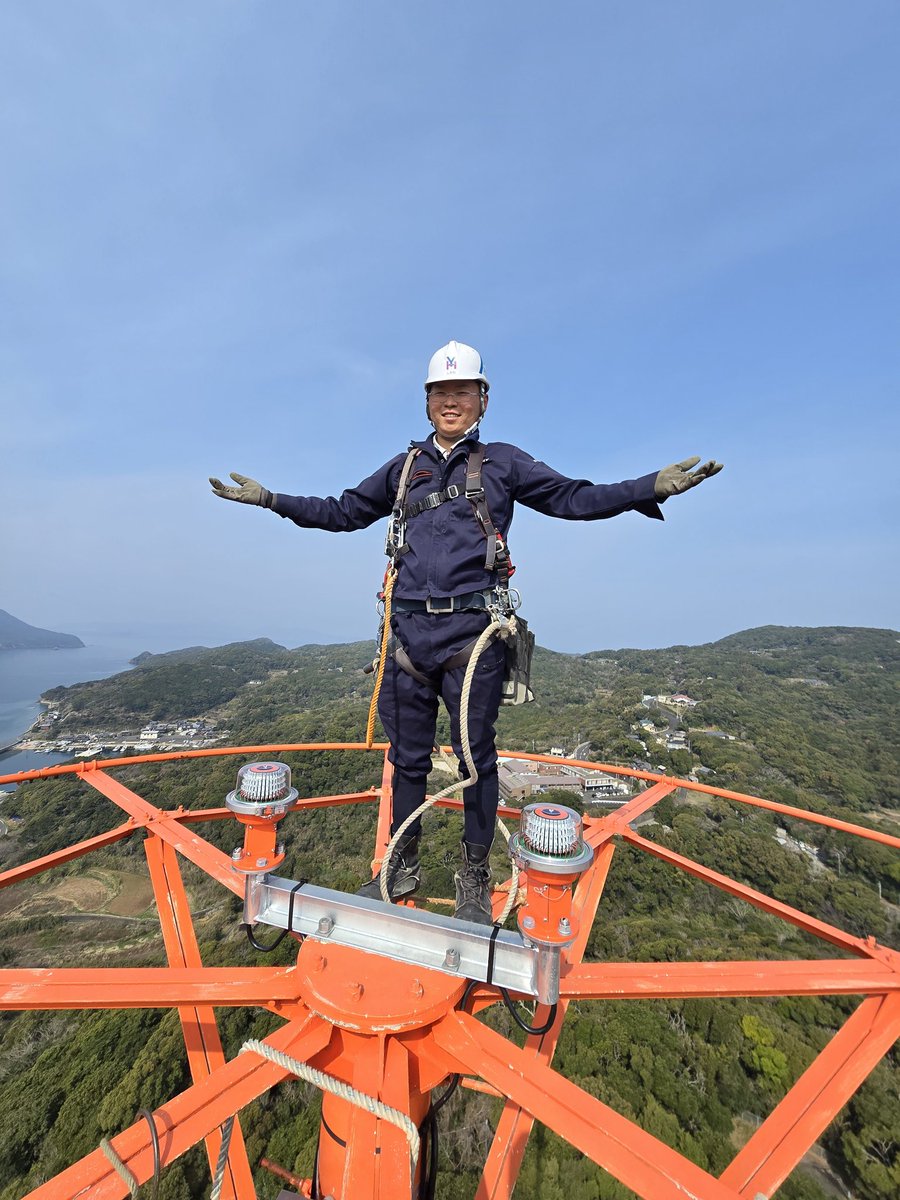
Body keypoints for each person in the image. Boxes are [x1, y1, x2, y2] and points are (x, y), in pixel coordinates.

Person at [210, 340, 723, 923]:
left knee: (476, 759)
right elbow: (343, 511)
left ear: (482, 400)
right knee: (407, 760)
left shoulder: (503, 462)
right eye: (440, 394)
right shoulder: (405, 468)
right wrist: (271, 500)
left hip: (471, 638)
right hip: (408, 634)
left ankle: (474, 876)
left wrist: (646, 488)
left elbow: (573, 498)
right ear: (427, 403)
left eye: (462, 392)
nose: (450, 403)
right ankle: (399, 866)